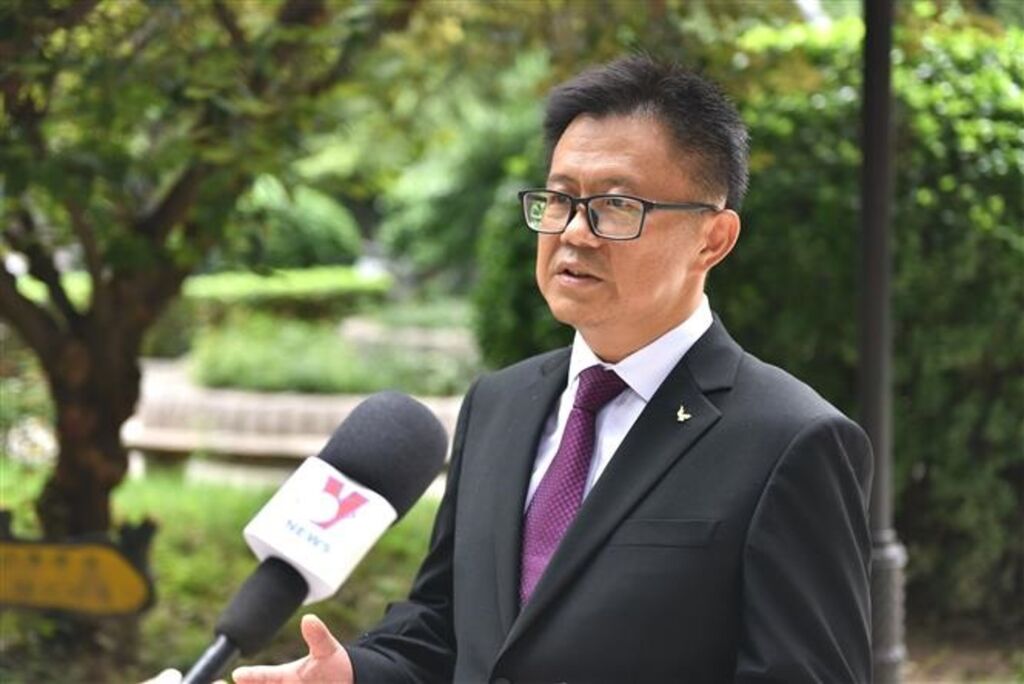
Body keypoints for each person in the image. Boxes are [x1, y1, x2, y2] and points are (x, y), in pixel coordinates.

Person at [231, 55, 873, 683]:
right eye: (560, 199)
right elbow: (444, 627)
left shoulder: (790, 441)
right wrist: (354, 674)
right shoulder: (498, 404)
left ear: (713, 239)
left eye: (616, 205)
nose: (574, 233)